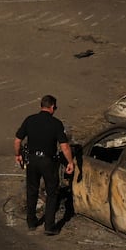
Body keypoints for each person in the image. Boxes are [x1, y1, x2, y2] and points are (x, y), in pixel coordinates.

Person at [14, 95, 76, 235]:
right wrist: (70, 162)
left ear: (41, 106)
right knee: (52, 192)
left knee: (32, 190)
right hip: (48, 162)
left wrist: (18, 155)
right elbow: (65, 147)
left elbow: (17, 141)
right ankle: (49, 226)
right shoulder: (56, 124)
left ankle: (31, 221)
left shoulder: (30, 120)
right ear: (52, 107)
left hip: (32, 160)